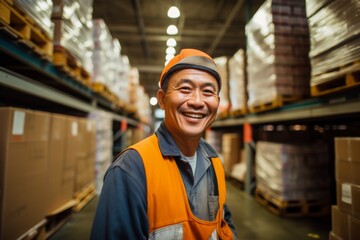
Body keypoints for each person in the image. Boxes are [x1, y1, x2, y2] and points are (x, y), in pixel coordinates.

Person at [90, 49, 238, 240]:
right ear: (161, 99)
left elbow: (223, 225)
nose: (197, 101)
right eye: (185, 89)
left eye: (208, 92)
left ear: (217, 102)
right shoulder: (131, 169)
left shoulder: (214, 162)